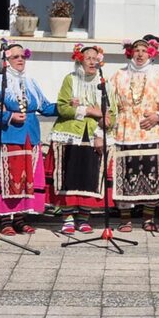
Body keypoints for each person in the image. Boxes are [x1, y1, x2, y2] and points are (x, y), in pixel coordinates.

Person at [0, 43, 57, 236]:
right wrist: (9, 116)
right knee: (8, 179)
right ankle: (5, 219)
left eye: (23, 56)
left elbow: (45, 107)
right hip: (8, 135)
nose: (20, 59)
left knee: (25, 179)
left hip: (29, 136)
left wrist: (67, 107)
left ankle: (20, 218)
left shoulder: (30, 82)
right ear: (6, 60)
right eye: (15, 56)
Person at [47, 44, 116, 234]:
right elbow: (63, 108)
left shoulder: (105, 83)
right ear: (80, 61)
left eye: (95, 58)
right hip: (70, 134)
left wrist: (102, 131)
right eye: (88, 58)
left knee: (89, 176)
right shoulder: (71, 79)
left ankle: (84, 217)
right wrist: (89, 110)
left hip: (94, 135)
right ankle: (68, 218)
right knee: (69, 176)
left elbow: (112, 114)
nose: (92, 62)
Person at [109, 34, 159, 232]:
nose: (140, 54)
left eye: (144, 51)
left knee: (152, 175)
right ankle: (125, 219)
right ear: (130, 53)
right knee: (125, 175)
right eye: (136, 50)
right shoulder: (119, 75)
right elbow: (109, 102)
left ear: (150, 53)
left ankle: (148, 218)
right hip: (125, 131)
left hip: (152, 132)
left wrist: (158, 116)